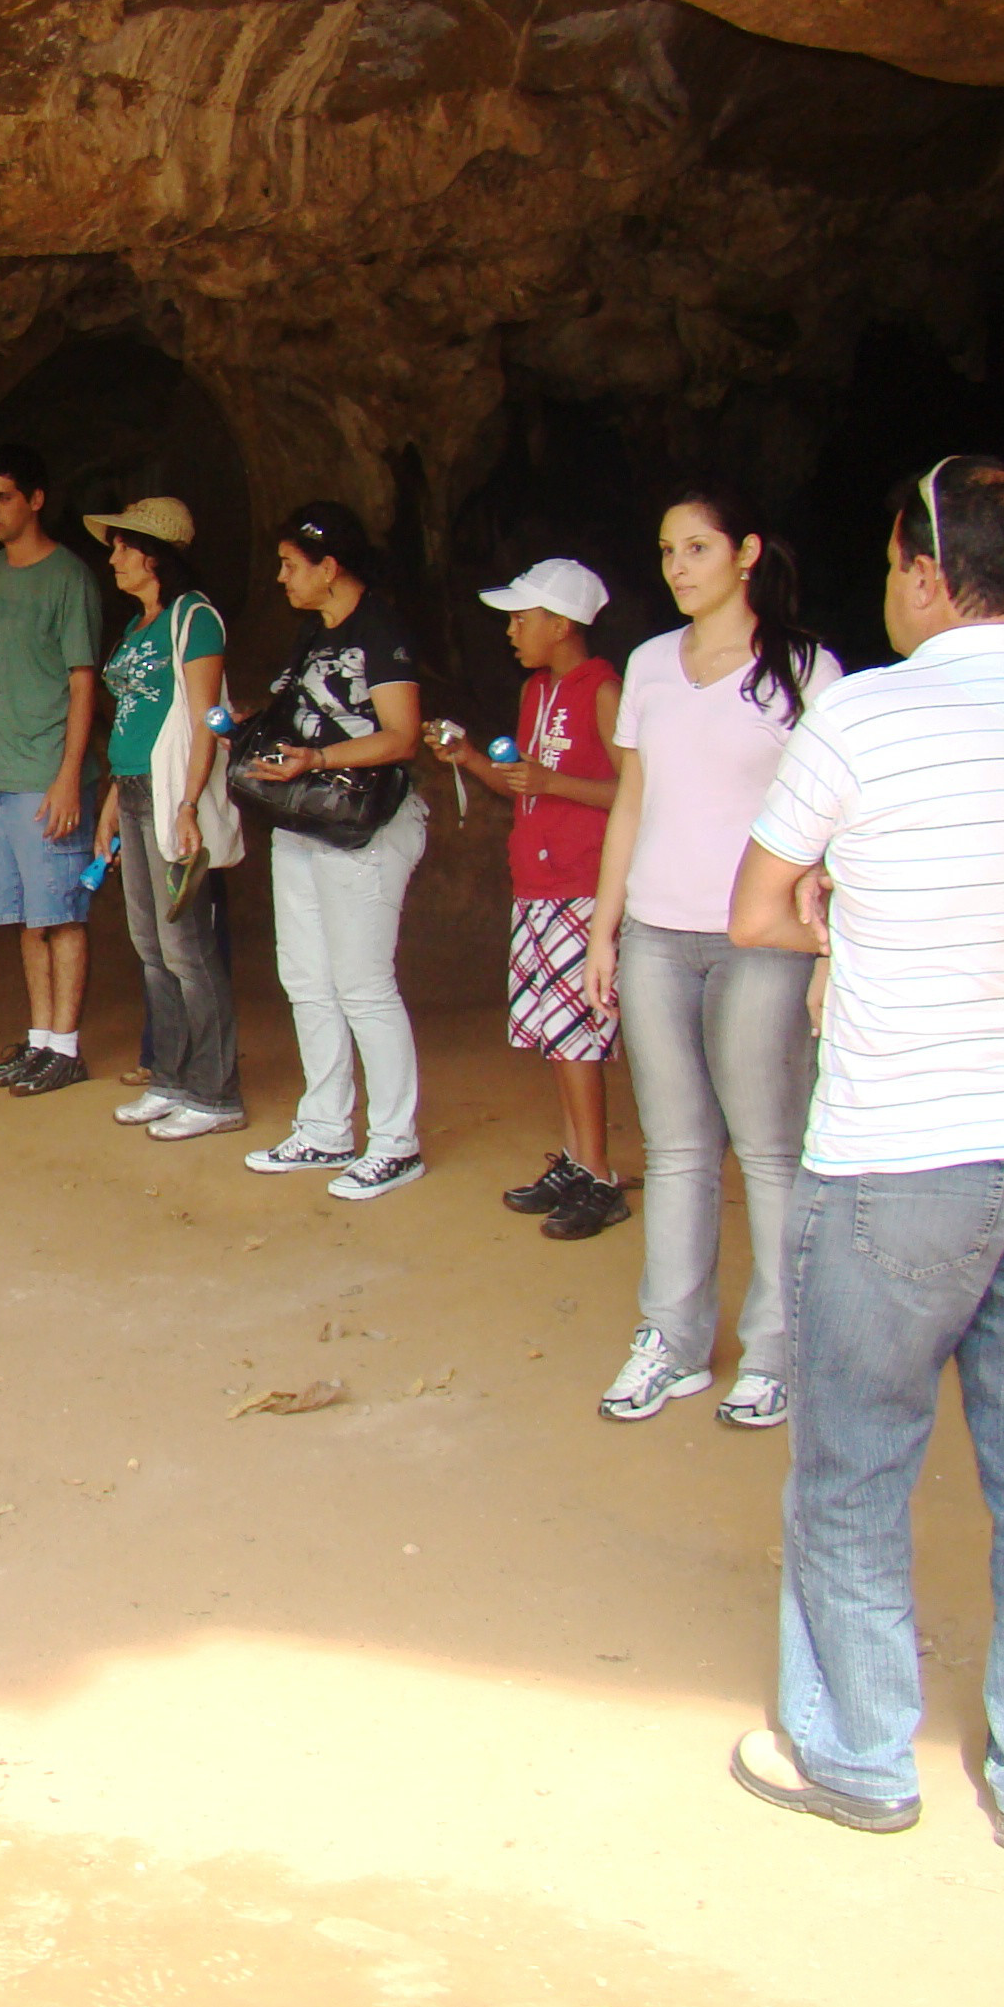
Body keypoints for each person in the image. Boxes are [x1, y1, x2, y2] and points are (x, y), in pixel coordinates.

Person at [721, 456, 1004, 1857]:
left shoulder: (864, 713)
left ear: (926, 571)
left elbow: (760, 909)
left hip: (900, 1156)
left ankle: (854, 1754)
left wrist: (844, 923)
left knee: (855, 1462)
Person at [582, 490, 841, 1427]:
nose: (679, 567)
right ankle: (675, 1340)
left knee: (771, 1147)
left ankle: (779, 1348)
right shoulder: (650, 666)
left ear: (747, 554)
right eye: (666, 551)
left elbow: (834, 824)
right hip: (657, 930)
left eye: (697, 548)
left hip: (760, 940)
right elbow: (631, 803)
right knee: (678, 1146)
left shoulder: (806, 669)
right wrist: (605, 927)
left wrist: (825, 949)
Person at [239, 501, 430, 1200]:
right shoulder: (309, 635)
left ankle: (395, 1142)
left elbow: (402, 735)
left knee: (362, 984)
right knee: (306, 978)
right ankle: (324, 1127)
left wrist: (316, 757)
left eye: (292, 565)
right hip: (303, 820)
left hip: (365, 821)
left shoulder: (379, 627)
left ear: (329, 567)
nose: (283, 577)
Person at [433, 558, 625, 1238]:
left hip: (582, 884)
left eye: (522, 618)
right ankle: (578, 1159)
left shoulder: (603, 690)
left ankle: (600, 1175)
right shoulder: (535, 691)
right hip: (538, 884)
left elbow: (635, 792)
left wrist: (553, 781)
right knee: (557, 1034)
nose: (511, 631)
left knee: (578, 1035)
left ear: (562, 623)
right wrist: (470, 760)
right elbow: (525, 785)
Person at [84, 498, 244, 1139]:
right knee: (151, 947)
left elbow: (208, 722)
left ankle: (217, 1092)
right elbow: (127, 723)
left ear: (155, 554)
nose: (114, 556)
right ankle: (172, 1079)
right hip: (131, 791)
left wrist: (187, 805)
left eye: (124, 546)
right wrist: (109, 809)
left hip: (173, 791)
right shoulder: (138, 625)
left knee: (186, 948)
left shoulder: (194, 617)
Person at [0, 443, 110, 1095]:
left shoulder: (69, 577)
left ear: (36, 500)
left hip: (49, 772)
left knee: (61, 912)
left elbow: (84, 682)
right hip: (0, 770)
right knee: (25, 914)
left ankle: (68, 1047)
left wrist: (67, 774)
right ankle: (42, 1040)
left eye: (3, 496)